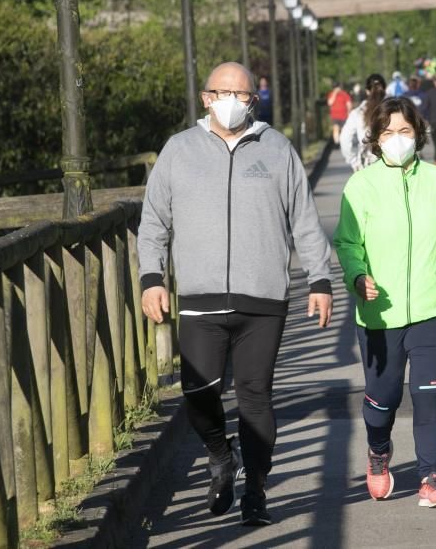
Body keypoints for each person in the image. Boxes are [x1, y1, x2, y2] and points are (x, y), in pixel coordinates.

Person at [137, 62, 334, 526]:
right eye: (223, 92)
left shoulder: (277, 148)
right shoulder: (179, 150)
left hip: (263, 298)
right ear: (206, 97)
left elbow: (304, 219)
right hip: (201, 297)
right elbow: (153, 222)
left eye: (242, 95)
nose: (232, 101)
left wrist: (320, 280)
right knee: (198, 393)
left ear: (253, 100)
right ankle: (219, 454)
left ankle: (257, 491)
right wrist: (152, 278)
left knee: (255, 396)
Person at [333, 96, 436, 508]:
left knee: (428, 393)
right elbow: (348, 242)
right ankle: (379, 451)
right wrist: (357, 276)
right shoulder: (361, 186)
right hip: (379, 315)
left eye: (404, 131)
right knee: (381, 400)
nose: (397, 139)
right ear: (376, 139)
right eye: (388, 132)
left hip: (433, 310)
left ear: (418, 135)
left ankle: (430, 478)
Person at [339, 73, 386, 171]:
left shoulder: (357, 113)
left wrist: (353, 161)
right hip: (391, 163)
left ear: (367, 91)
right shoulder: (394, 110)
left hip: (367, 163)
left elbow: (344, 138)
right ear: (384, 89)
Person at [328, 81, 352, 146]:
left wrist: (349, 112)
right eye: (334, 87)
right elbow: (330, 103)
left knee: (343, 130)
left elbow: (348, 104)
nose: (335, 89)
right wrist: (334, 94)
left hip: (343, 115)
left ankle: (343, 142)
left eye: (336, 87)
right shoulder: (331, 94)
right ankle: (336, 143)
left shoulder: (344, 94)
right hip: (335, 115)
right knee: (335, 129)